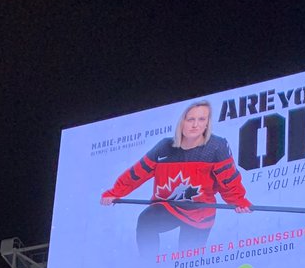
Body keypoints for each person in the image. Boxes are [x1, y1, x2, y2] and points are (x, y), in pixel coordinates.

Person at [101, 101, 251, 259]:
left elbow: (228, 179)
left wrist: (238, 201)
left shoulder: (216, 146)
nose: (195, 125)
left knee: (186, 260)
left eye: (202, 119)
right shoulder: (165, 147)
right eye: (190, 119)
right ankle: (148, 267)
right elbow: (138, 173)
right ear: (182, 122)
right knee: (146, 221)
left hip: (200, 211)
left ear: (208, 123)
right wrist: (115, 193)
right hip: (169, 205)